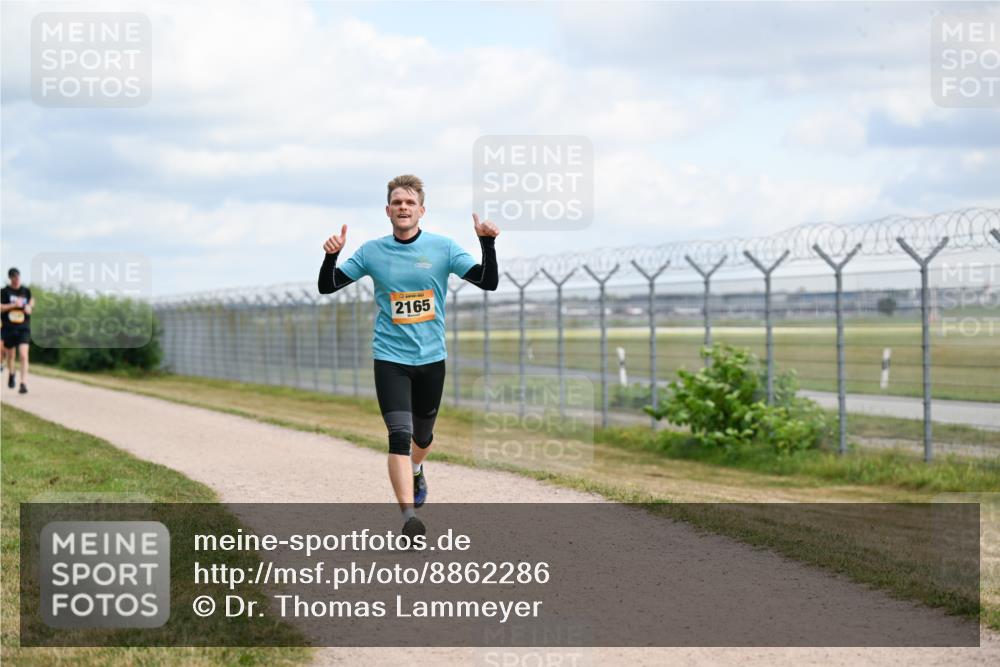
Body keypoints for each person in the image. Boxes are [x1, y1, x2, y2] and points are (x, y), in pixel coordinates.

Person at [318, 175, 499, 538]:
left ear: (421, 210)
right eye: (397, 202)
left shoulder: (442, 248)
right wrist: (331, 255)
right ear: (388, 210)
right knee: (398, 436)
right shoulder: (372, 251)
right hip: (390, 359)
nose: (403, 207)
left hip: (431, 359)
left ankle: (417, 468)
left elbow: (487, 281)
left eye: (409, 203)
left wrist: (487, 244)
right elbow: (328, 285)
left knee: (423, 438)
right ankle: (408, 518)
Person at [1, 267, 34, 394]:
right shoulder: (4, 292)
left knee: (24, 355)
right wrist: (14, 305)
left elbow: (31, 301)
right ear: (10, 278)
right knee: (10, 355)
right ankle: (11, 373)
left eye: (18, 276)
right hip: (9, 327)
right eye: (14, 277)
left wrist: (29, 307)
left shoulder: (25, 291)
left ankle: (23, 383)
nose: (16, 279)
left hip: (23, 328)